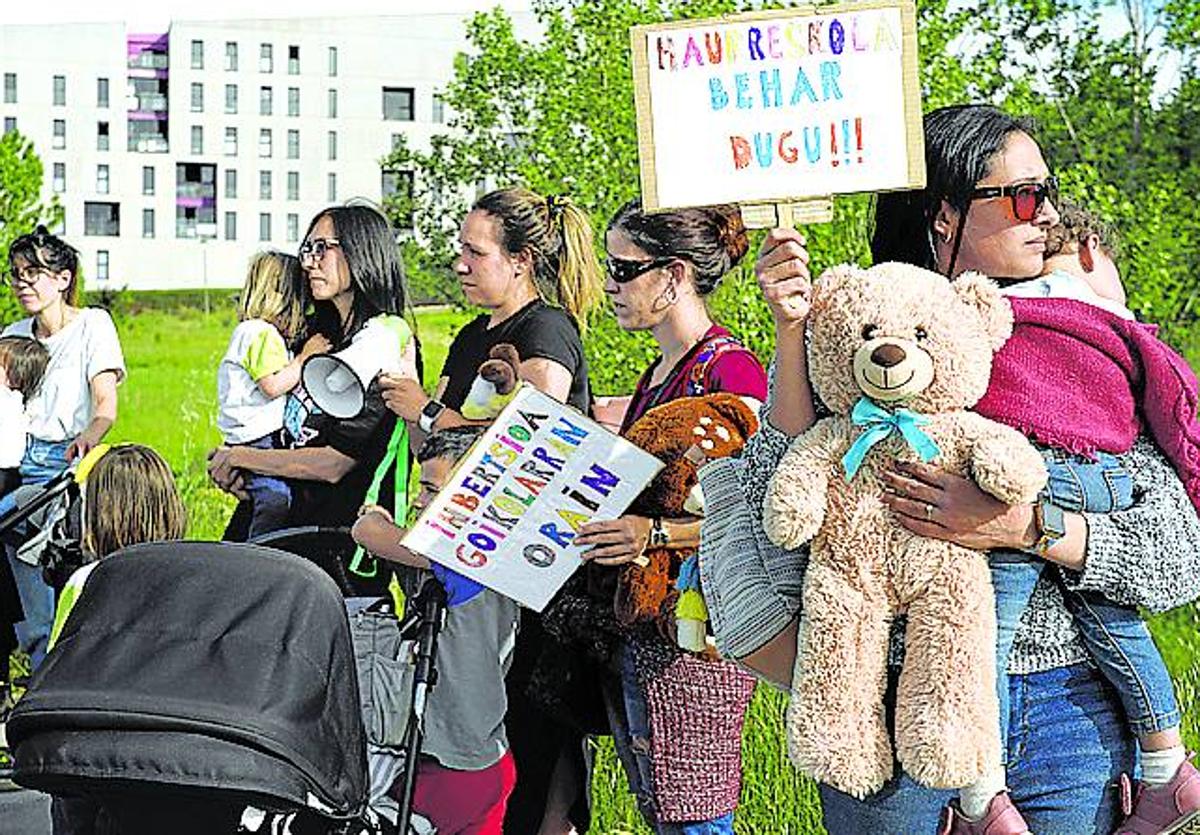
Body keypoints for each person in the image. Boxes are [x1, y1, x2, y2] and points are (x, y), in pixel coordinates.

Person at [696, 103, 1200, 835]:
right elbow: (786, 531)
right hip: (899, 717)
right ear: (943, 215)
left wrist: (1025, 525)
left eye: (1047, 190)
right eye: (1024, 196)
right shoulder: (858, 335)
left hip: (1071, 716)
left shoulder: (1080, 350)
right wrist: (792, 333)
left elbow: (1179, 554)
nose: (1049, 214)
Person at [964, 200, 1200, 832]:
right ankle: (1166, 764)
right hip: (1102, 476)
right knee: (1114, 618)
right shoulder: (1109, 322)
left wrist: (1023, 525)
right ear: (1092, 252)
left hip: (1023, 470)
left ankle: (982, 801)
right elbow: (1173, 391)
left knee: (984, 633)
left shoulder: (987, 315)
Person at [378, 186, 604, 835]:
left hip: (531, 587)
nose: (460, 264)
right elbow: (436, 445)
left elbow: (527, 448)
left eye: (474, 252)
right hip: (471, 572)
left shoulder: (547, 331)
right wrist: (418, 412)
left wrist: (424, 407)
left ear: (521, 260)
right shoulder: (473, 335)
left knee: (533, 758)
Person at [574, 200, 768, 834]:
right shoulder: (657, 372)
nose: (610, 284)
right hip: (645, 629)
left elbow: (755, 512)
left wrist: (650, 533)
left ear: (675, 274)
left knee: (695, 814)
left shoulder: (730, 371)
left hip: (696, 638)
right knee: (661, 809)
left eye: (624, 268)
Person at [208, 204, 418, 599]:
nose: (310, 262)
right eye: (308, 248)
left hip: (333, 559)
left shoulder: (382, 347)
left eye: (324, 248)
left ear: (362, 253)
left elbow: (334, 464)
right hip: (279, 531)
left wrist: (238, 456)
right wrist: (241, 470)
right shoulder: (314, 338)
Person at [352, 425, 520, 835]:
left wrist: (374, 517)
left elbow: (368, 533)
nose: (420, 500)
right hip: (487, 757)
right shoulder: (494, 561)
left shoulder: (467, 561)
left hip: (451, 769)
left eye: (432, 490)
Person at [44, 443, 187, 835]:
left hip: (96, 754)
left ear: (97, 515)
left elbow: (57, 674)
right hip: (176, 754)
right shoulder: (194, 577)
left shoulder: (85, 583)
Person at [2, 226, 126, 670]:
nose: (22, 283)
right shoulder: (14, 333)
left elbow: (105, 402)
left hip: (67, 464)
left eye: (33, 272)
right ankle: (41, 677)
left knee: (63, 573)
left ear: (63, 278)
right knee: (33, 600)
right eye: (15, 274)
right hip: (17, 460)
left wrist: (91, 434)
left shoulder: (92, 324)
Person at [216, 251, 330, 539]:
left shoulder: (250, 332)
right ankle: (261, 548)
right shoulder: (261, 334)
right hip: (258, 439)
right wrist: (306, 358)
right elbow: (273, 385)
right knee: (275, 499)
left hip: (248, 436)